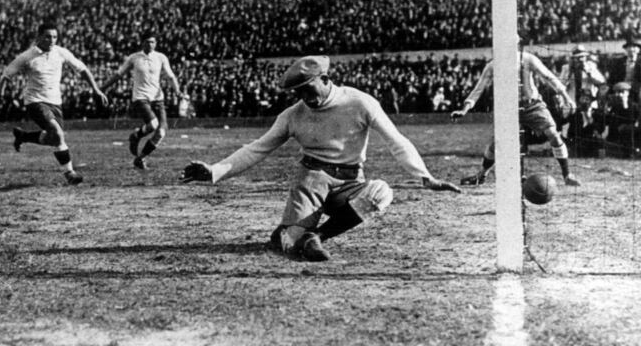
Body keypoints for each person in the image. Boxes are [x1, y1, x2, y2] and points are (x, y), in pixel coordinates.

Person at [180, 56, 460, 262]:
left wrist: (425, 176)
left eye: (308, 88)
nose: (305, 97)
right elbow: (257, 148)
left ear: (325, 79)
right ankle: (291, 232)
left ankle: (318, 236)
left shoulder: (360, 102)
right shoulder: (292, 115)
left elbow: (395, 139)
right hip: (310, 182)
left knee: (382, 193)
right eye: (298, 91)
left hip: (349, 183)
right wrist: (214, 171)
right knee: (290, 246)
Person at [451, 50, 581, 186]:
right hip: (508, 108)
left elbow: (549, 77)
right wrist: (464, 110)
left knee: (553, 134)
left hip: (533, 105)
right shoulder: (493, 65)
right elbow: (478, 89)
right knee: (498, 143)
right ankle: (482, 175)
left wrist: (566, 98)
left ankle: (567, 175)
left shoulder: (528, 59)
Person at [3, 22, 108, 185]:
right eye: (48, 37)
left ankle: (23, 136)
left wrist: (96, 90)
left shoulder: (61, 52)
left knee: (53, 138)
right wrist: (4, 93)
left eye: (54, 37)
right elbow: (7, 74)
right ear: (39, 37)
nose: (52, 40)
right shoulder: (27, 56)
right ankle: (69, 173)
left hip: (55, 102)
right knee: (58, 134)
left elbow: (83, 69)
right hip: (35, 101)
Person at [103, 31, 183, 169]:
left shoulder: (161, 57)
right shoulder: (134, 58)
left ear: (156, 43)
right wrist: (102, 88)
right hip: (140, 96)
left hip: (158, 98)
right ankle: (135, 136)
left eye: (153, 42)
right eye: (147, 42)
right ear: (142, 43)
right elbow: (118, 74)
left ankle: (141, 158)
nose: (150, 44)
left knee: (161, 132)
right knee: (152, 124)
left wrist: (177, 91)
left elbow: (170, 76)